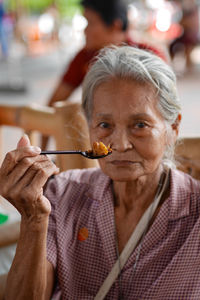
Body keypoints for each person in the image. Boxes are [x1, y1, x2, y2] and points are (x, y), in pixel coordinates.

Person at [2, 45, 200, 299]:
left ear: (173, 128)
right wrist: (33, 219)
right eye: (104, 124)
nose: (119, 144)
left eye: (139, 124)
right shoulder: (61, 195)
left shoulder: (194, 211)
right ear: (90, 128)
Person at [41, 0, 167, 149]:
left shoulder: (151, 56)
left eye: (90, 23)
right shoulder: (84, 58)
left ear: (115, 25)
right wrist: (42, 152)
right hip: (99, 144)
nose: (85, 30)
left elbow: (166, 112)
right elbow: (53, 104)